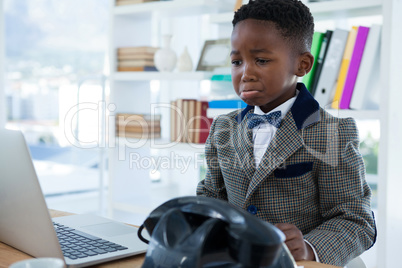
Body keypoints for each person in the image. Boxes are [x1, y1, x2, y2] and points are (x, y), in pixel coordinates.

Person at [196, 0, 376, 266]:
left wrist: (309, 247)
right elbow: (211, 195)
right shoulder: (223, 128)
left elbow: (356, 221)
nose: (245, 73)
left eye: (261, 60)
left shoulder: (332, 133)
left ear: (302, 65)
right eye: (236, 61)